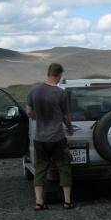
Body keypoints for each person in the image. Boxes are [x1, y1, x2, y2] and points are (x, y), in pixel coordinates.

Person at [25, 63, 74, 210]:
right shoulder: (60, 93)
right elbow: (65, 116)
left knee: (40, 170)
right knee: (64, 168)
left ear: (48, 73)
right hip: (57, 138)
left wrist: (36, 117)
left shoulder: (34, 90)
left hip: (40, 138)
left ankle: (39, 202)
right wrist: (70, 128)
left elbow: (28, 111)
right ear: (59, 75)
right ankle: (67, 202)